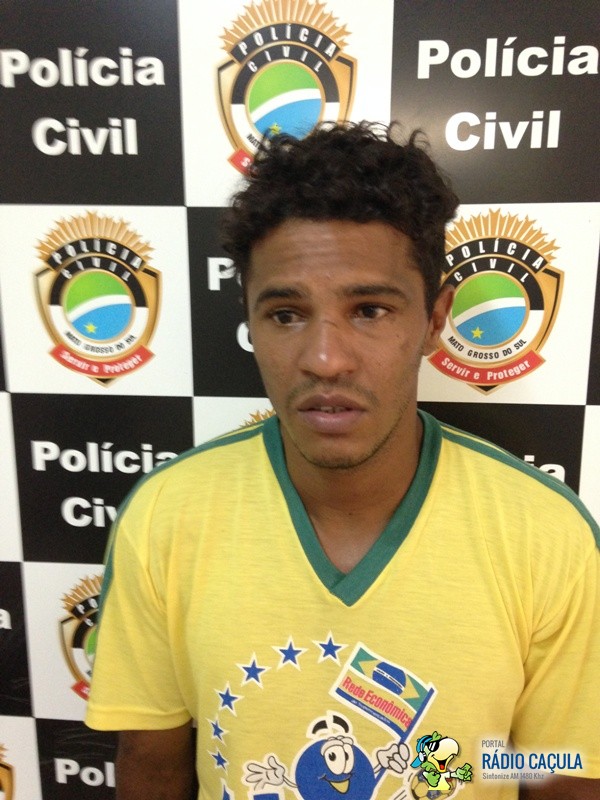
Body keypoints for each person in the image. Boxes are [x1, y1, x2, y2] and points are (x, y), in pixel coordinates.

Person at [86, 121, 599, 800]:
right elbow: (153, 764)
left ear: (434, 318)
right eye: (286, 314)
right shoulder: (165, 517)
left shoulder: (547, 534)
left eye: (369, 310)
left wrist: (449, 768)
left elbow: (557, 774)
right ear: (249, 319)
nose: (325, 359)